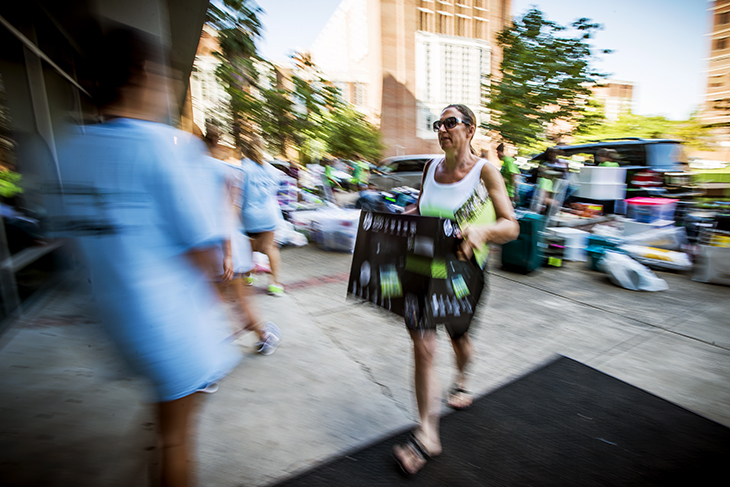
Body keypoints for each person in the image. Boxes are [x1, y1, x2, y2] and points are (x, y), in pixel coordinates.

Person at [51, 28, 240, 487]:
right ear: (143, 75)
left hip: (116, 316)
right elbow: (206, 249)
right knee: (176, 439)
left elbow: (72, 241)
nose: (168, 86)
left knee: (163, 420)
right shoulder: (159, 147)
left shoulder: (69, 150)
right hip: (169, 322)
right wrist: (222, 296)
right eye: (165, 75)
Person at [394, 104, 519, 475]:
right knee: (422, 343)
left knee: (458, 338)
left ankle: (462, 378)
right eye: (439, 124)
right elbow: (422, 205)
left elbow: (511, 226)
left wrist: (483, 231)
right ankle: (427, 432)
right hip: (425, 263)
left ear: (470, 129)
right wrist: (406, 217)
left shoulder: (485, 172)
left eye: (451, 123)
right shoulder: (431, 168)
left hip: (466, 268)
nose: (443, 129)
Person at [201, 129, 282, 355]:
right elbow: (228, 212)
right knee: (237, 298)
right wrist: (228, 253)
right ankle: (262, 335)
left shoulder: (206, 170)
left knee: (226, 298)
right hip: (233, 239)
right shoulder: (228, 169)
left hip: (216, 241)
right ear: (217, 144)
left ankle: (256, 333)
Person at [239, 141, 286, 297]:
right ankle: (275, 284)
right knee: (270, 248)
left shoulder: (243, 167)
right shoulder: (273, 170)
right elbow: (274, 191)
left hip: (249, 215)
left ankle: (248, 276)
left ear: (245, 151)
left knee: (248, 247)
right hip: (269, 214)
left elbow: (239, 194)